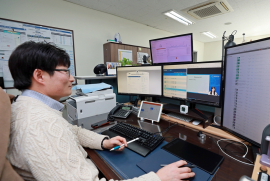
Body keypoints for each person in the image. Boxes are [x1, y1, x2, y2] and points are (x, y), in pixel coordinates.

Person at [6, 41, 195, 181]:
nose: (72, 78)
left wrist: (104, 141)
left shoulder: (27, 105)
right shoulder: (39, 123)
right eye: (66, 71)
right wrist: (158, 178)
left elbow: (71, 131)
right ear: (39, 75)